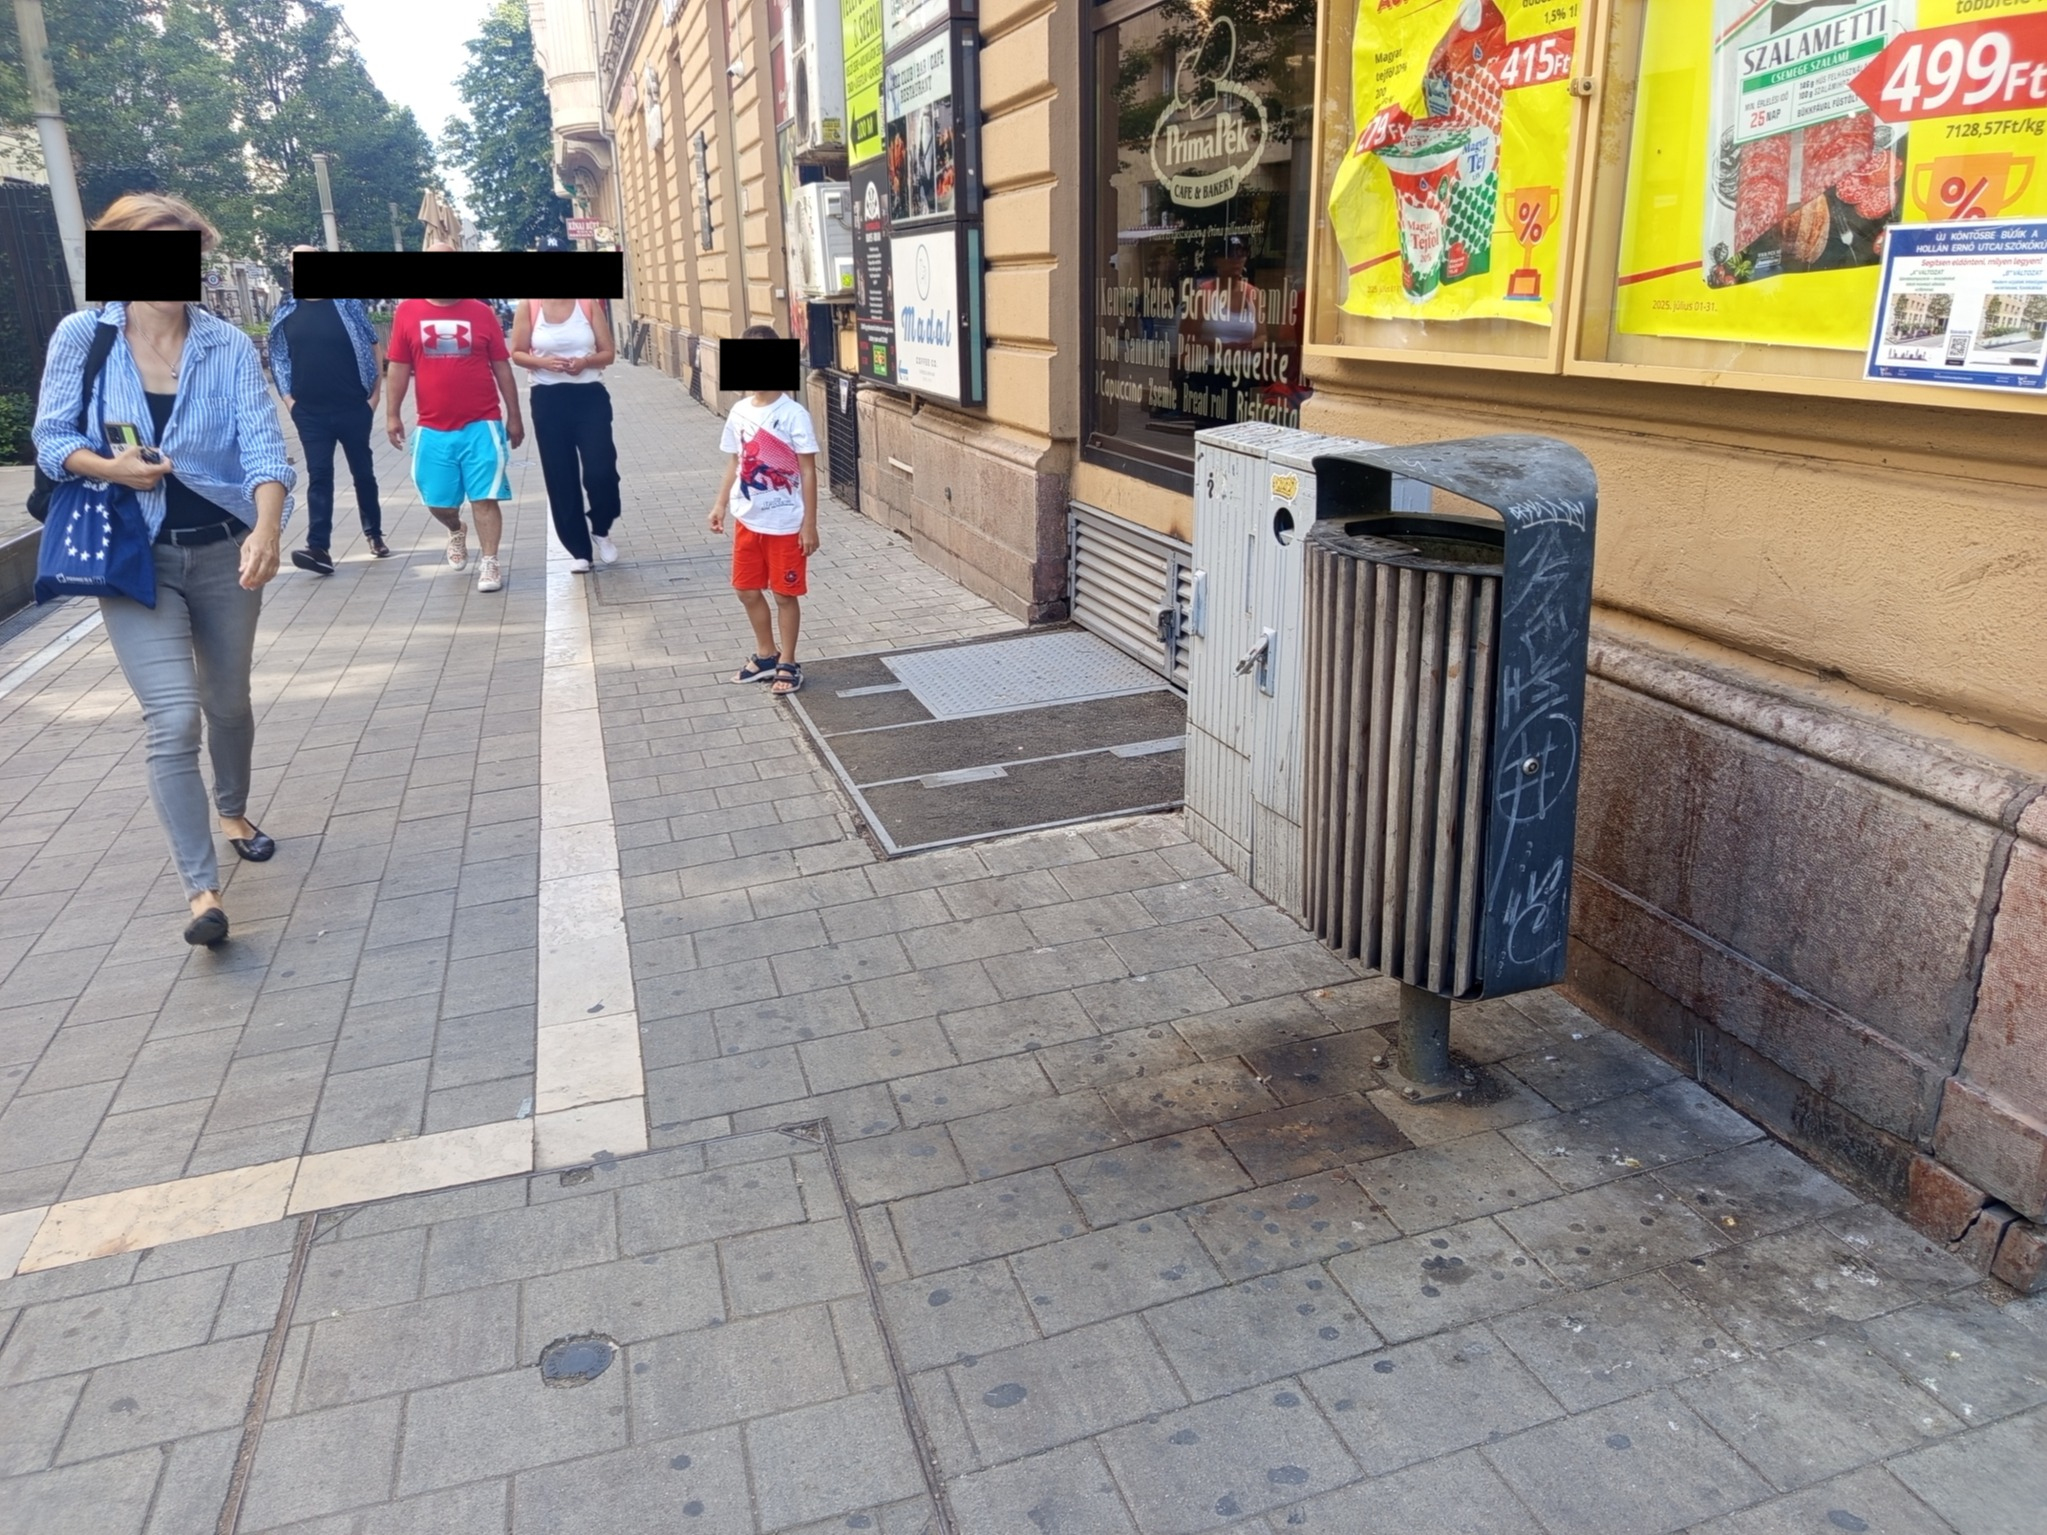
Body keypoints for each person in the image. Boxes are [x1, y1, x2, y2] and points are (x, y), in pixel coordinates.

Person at [33, 193, 295, 947]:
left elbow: (264, 449)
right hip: (133, 555)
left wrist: (267, 528)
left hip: (223, 547)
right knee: (174, 716)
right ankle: (201, 891)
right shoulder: (84, 336)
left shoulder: (225, 344)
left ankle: (233, 809)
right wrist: (111, 467)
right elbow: (51, 439)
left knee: (228, 702)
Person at [383, 261, 525, 592]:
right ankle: (456, 528)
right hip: (432, 425)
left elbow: (501, 366)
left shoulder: (481, 312)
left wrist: (514, 415)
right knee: (438, 502)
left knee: (484, 497)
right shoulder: (407, 312)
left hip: (482, 422)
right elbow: (399, 367)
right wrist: (392, 414)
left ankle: (490, 561)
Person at [707, 324, 820, 697]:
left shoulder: (793, 414)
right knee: (746, 589)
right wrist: (721, 504)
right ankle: (766, 655)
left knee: (785, 594)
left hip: (785, 523)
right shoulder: (739, 411)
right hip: (748, 520)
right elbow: (736, 461)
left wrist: (809, 524)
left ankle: (788, 661)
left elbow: (808, 470)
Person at [268, 245, 388, 568]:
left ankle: (374, 533)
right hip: (309, 412)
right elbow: (279, 357)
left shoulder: (346, 304)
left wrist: (375, 395)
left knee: (363, 473)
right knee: (319, 475)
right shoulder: (286, 310)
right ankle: (318, 547)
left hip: (353, 406)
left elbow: (373, 345)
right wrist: (290, 402)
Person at [509, 277, 622, 573]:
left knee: (601, 470)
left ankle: (601, 528)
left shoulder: (587, 304)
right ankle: (579, 550)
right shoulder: (530, 306)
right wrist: (543, 363)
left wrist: (585, 362)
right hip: (548, 398)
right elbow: (517, 352)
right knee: (560, 474)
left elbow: (608, 353)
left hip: (589, 396)